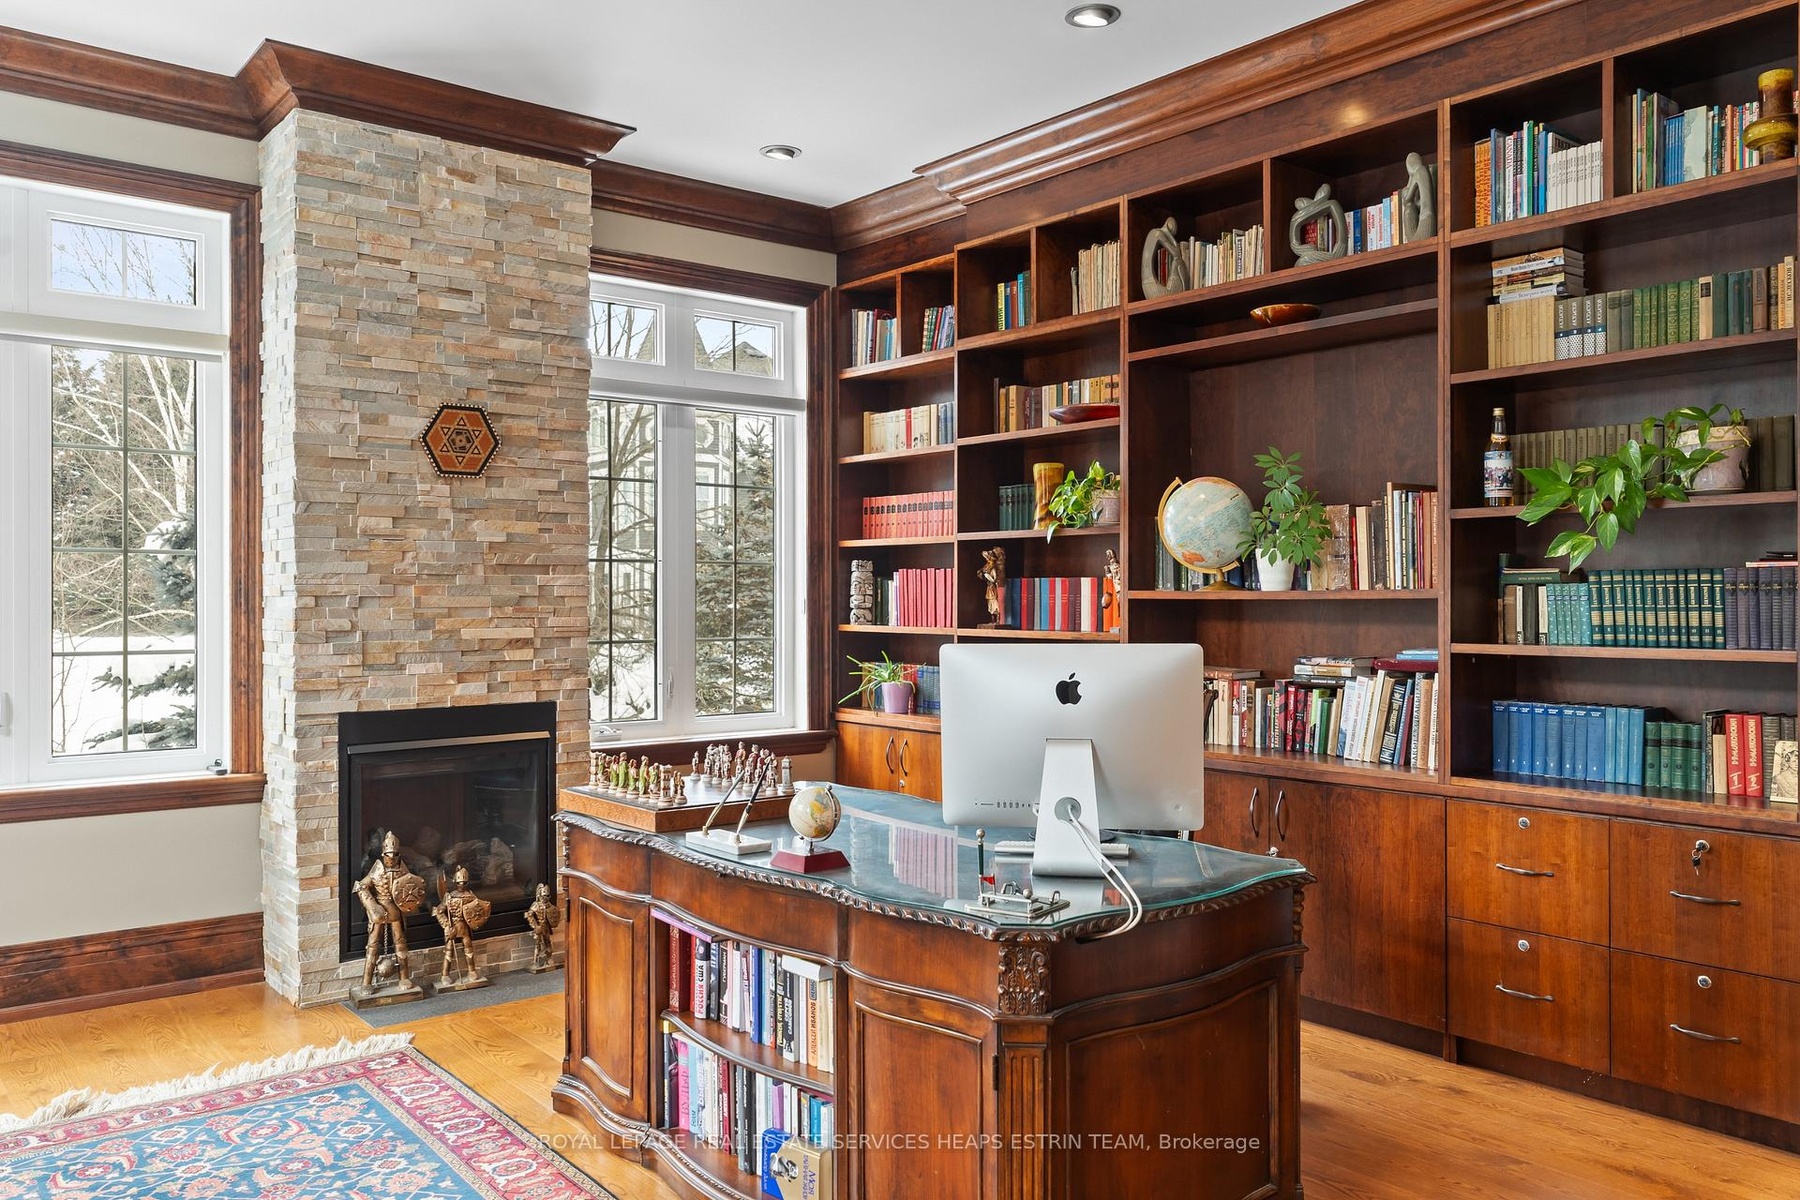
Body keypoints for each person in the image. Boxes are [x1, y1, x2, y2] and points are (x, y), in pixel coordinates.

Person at [353, 830, 426, 992]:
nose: (391, 858)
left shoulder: (403, 871)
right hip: (378, 911)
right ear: (383, 854)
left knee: (400, 943)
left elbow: (413, 887)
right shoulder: (377, 870)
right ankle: (366, 982)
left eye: (394, 855)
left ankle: (404, 977)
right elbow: (360, 886)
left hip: (397, 911)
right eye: (388, 855)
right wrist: (372, 906)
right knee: (372, 946)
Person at [432, 865, 491, 985]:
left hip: (465, 927)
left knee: (469, 948)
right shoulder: (449, 896)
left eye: (464, 882)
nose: (461, 884)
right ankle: (445, 975)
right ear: (455, 882)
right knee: (449, 951)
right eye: (459, 882)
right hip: (452, 926)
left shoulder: (470, 895)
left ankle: (472, 971)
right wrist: (447, 926)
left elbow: (477, 909)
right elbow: (438, 911)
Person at [524, 883, 561, 972]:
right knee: (538, 944)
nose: (546, 897)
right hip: (539, 927)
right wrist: (535, 926)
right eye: (544, 895)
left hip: (546, 928)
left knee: (548, 942)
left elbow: (553, 914)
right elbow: (529, 915)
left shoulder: (550, 906)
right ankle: (535, 961)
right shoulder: (536, 905)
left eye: (547, 896)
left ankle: (549, 958)